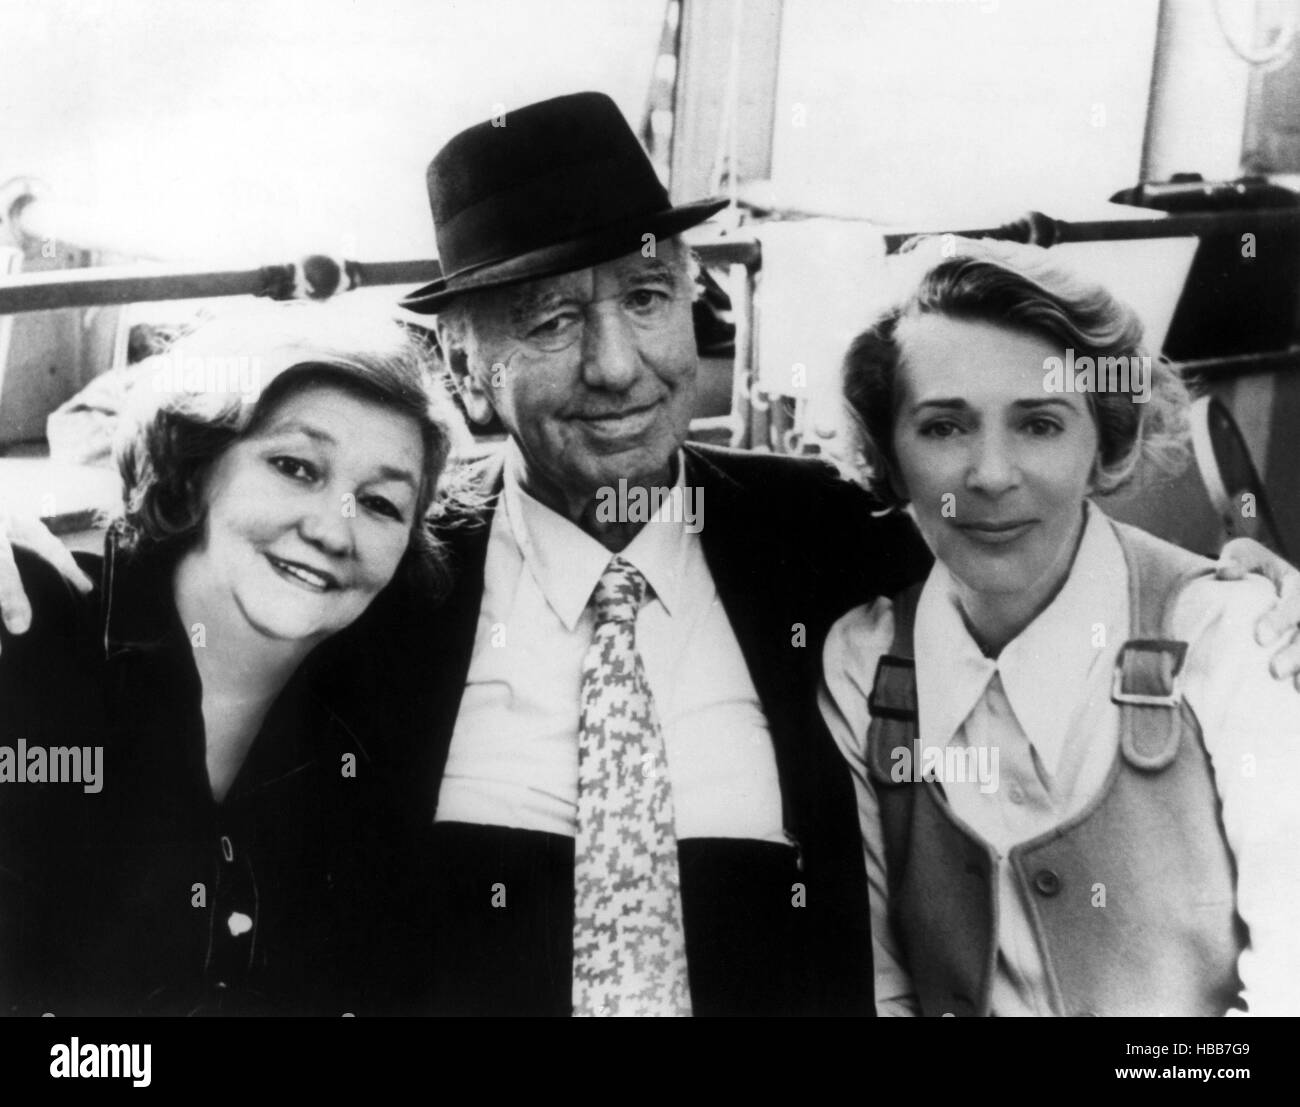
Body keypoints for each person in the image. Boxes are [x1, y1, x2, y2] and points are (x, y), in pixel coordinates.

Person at [3, 92, 1299, 1017]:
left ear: (695, 302)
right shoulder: (383, 568)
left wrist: (1238, 599)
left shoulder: (821, 537)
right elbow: (142, 599)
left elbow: (1021, 518)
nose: (617, 364)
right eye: (551, 319)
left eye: (644, 295)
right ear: (460, 362)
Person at [819, 237, 1300, 1016]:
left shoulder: (1230, 639)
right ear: (889, 453)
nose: (992, 474)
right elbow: (882, 991)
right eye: (944, 427)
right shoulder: (865, 665)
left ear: (1102, 442)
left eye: (1040, 424)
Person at [0, 302, 464, 1015]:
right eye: (294, 466)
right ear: (194, 469)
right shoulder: (30, 631)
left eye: (379, 503)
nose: (333, 531)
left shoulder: (376, 719)